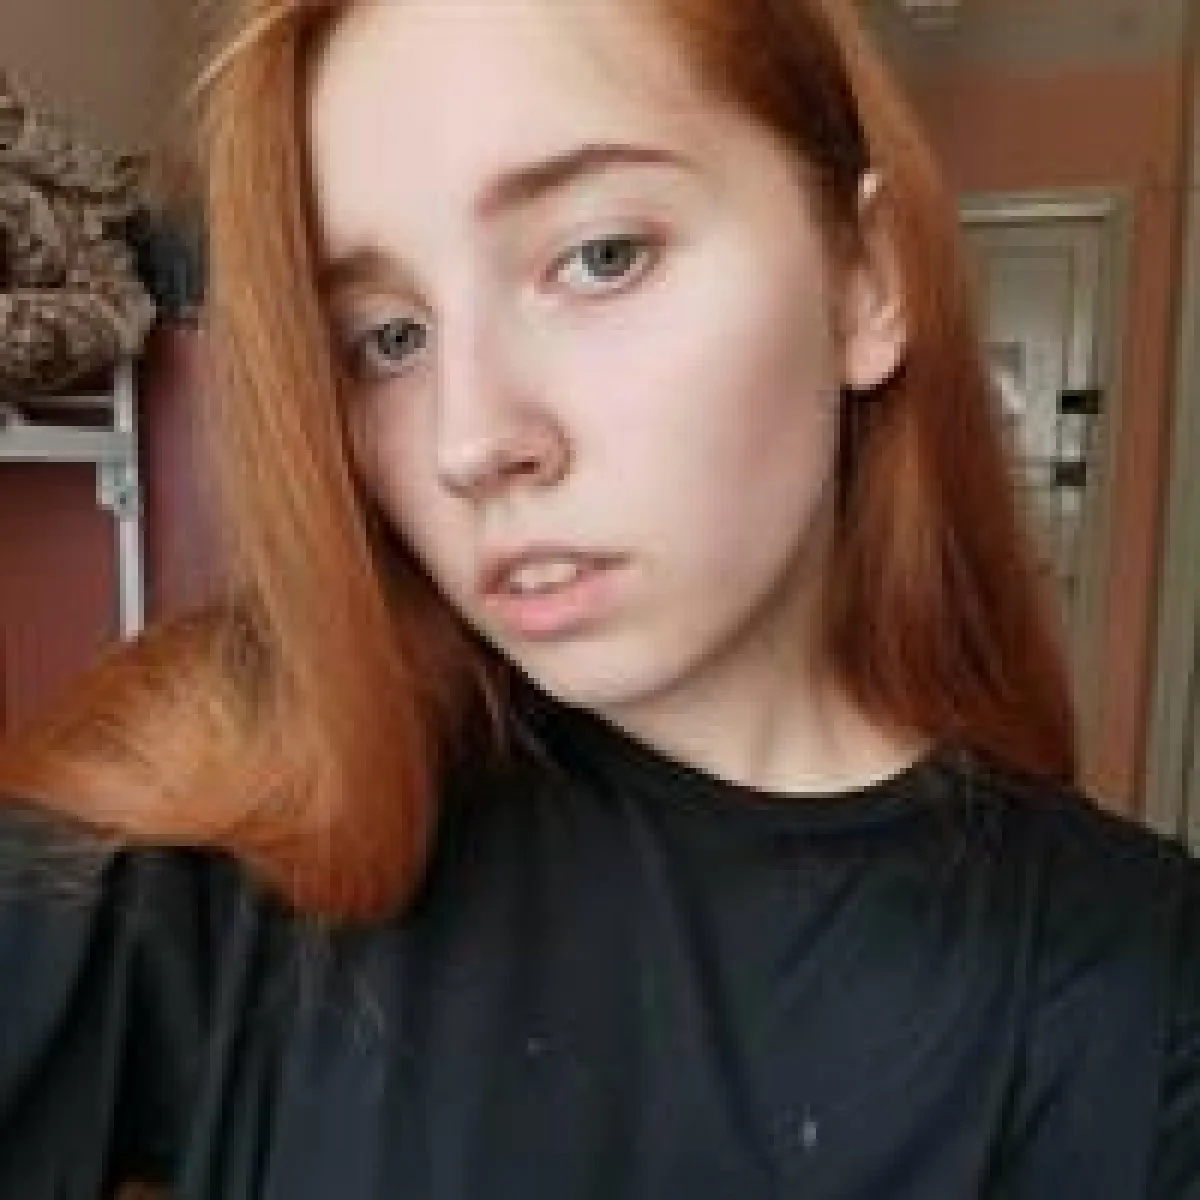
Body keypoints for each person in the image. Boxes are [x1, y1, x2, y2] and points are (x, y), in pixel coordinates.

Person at [0, 0, 1196, 1194]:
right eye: (388, 338)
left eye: (600, 257)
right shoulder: (232, 802)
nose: (472, 442)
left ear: (865, 280)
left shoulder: (1133, 996)